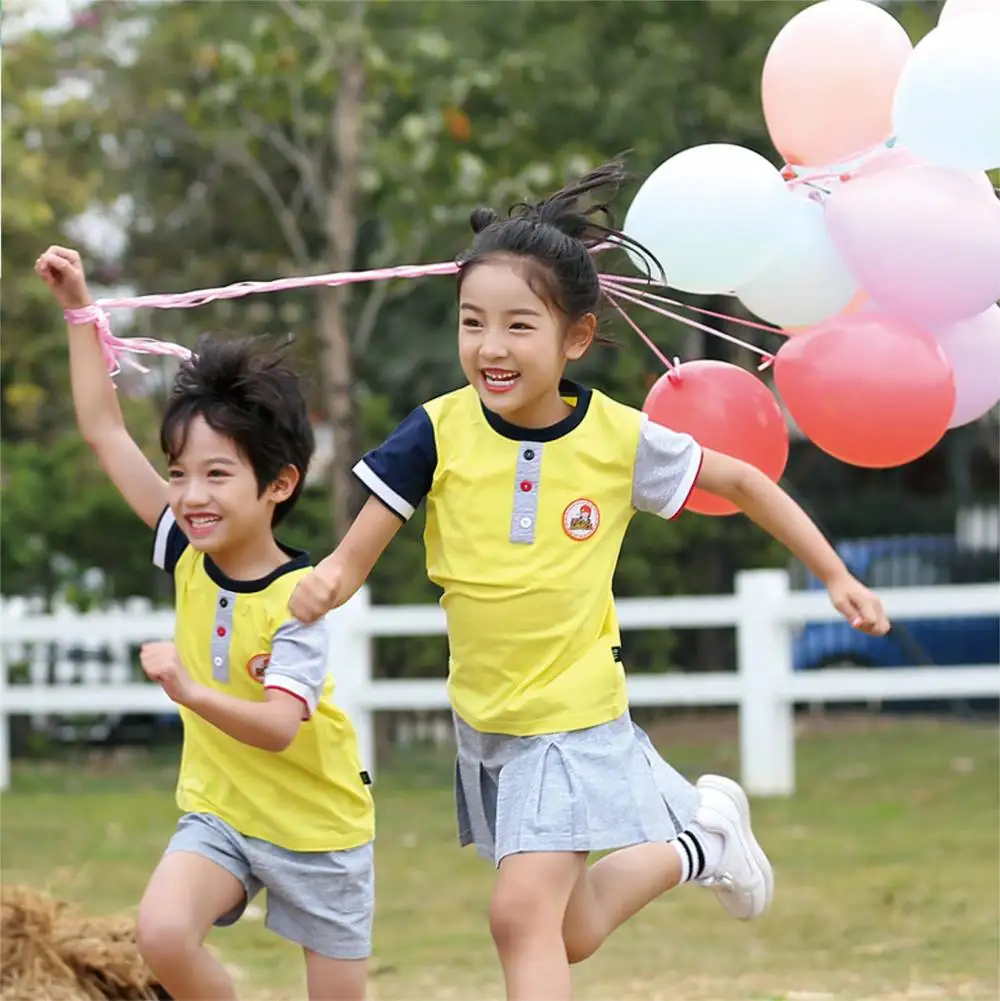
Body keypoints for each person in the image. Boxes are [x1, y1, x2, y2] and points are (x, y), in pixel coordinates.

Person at [287, 159, 891, 1001]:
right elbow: (351, 559)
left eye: (517, 325)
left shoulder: (618, 439)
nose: (490, 347)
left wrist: (833, 574)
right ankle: (702, 843)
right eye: (472, 323)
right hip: (488, 719)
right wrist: (320, 586)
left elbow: (745, 481)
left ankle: (699, 838)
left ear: (575, 336)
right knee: (565, 931)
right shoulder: (435, 431)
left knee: (517, 919)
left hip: (573, 717)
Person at [36, 246, 376, 1001]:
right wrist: (80, 310)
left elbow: (278, 725)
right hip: (221, 814)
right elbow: (101, 427)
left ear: (279, 484)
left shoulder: (302, 597)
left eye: (217, 474)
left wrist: (189, 691)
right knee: (161, 932)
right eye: (180, 471)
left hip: (319, 828)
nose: (190, 494)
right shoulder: (183, 548)